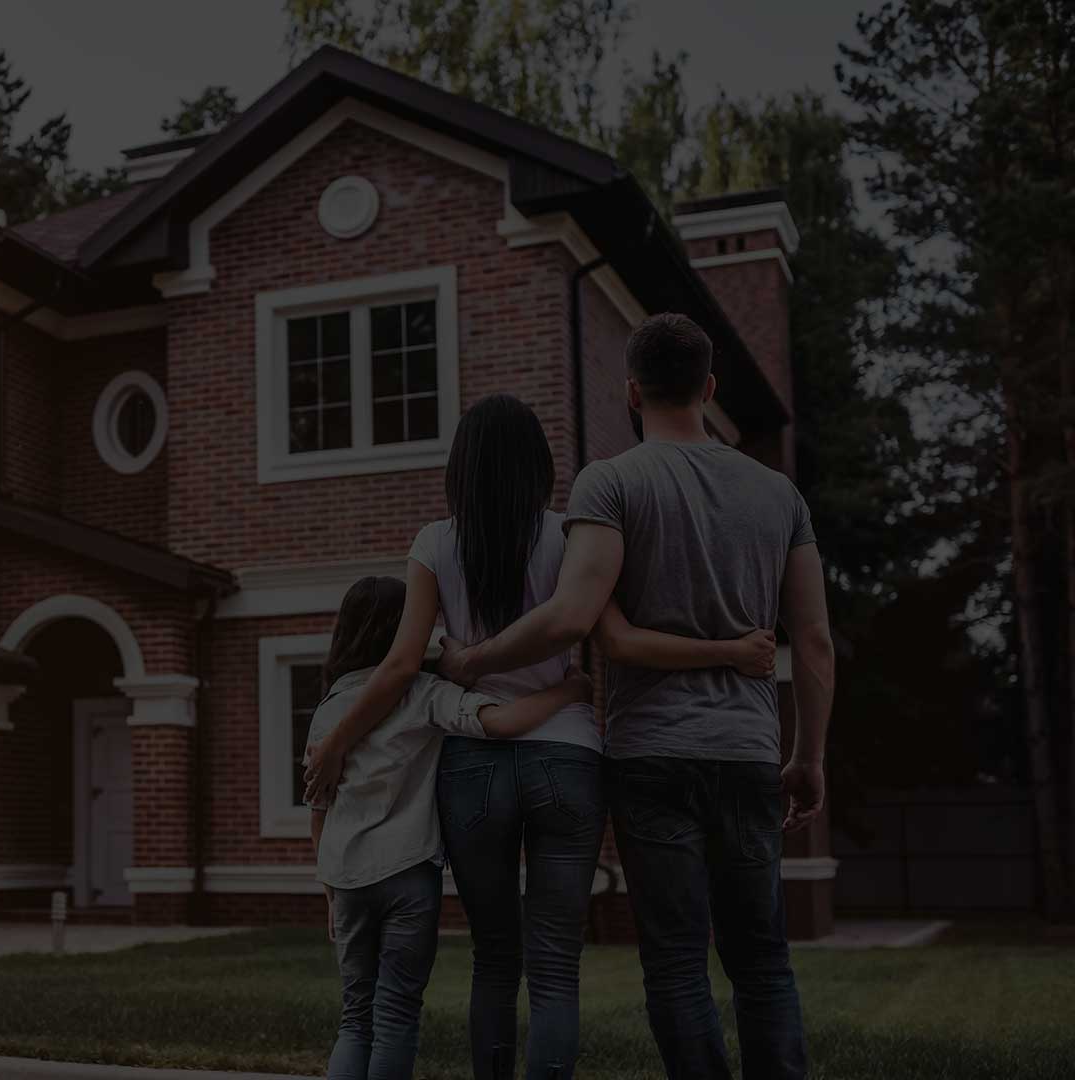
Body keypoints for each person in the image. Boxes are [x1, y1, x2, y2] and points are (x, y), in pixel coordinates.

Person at [304, 394, 774, 1080]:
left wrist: (340, 737)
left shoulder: (435, 544)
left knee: (495, 956)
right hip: (567, 758)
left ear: (459, 468)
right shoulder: (572, 536)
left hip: (473, 767)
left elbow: (403, 665)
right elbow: (607, 634)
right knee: (556, 964)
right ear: (540, 465)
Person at [435, 314, 835, 1080]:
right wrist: (807, 755)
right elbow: (813, 642)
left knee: (679, 963)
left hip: (651, 753)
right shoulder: (778, 493)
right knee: (763, 963)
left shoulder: (612, 481)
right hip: (749, 753)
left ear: (631, 390)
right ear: (710, 388)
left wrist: (471, 661)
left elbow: (573, 618)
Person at [305, 574, 593, 1080]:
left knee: (355, 1019)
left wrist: (330, 891)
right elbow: (500, 722)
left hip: (347, 880)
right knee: (394, 1016)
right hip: (407, 876)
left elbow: (319, 811)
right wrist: (570, 691)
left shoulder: (329, 710)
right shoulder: (422, 693)